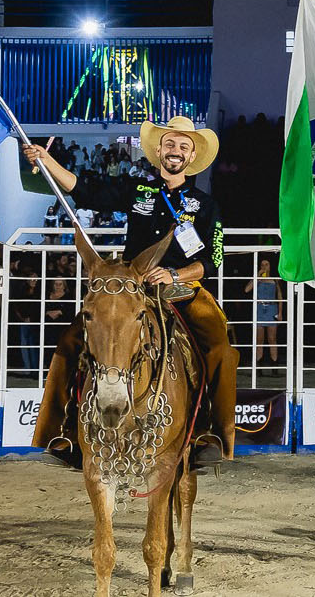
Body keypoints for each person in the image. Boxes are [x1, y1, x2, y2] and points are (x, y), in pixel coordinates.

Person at [24, 114, 237, 466]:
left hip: (183, 291)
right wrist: (48, 161)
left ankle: (211, 433)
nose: (175, 150)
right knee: (69, 343)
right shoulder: (138, 190)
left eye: (183, 146)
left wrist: (175, 274)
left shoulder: (205, 205)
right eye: (170, 144)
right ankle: (59, 434)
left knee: (221, 350)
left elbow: (213, 259)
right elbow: (85, 190)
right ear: (158, 150)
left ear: (191, 156)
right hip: (129, 290)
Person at [241, 255, 283, 366]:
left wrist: (280, 312)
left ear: (270, 266)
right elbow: (246, 290)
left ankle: (274, 366)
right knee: (259, 339)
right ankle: (258, 366)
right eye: (262, 264)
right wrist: (257, 276)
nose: (264, 266)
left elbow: (279, 296)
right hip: (259, 309)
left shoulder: (275, 280)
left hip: (271, 309)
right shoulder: (257, 280)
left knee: (272, 338)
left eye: (266, 264)